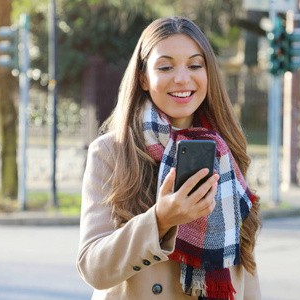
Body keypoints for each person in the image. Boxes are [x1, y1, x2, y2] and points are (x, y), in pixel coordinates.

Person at [77, 16, 262, 300]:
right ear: (143, 77)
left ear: (208, 72)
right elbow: (93, 268)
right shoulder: (112, 151)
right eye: (165, 66)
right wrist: (160, 221)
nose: (182, 78)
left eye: (195, 65)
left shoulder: (225, 150)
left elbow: (245, 261)